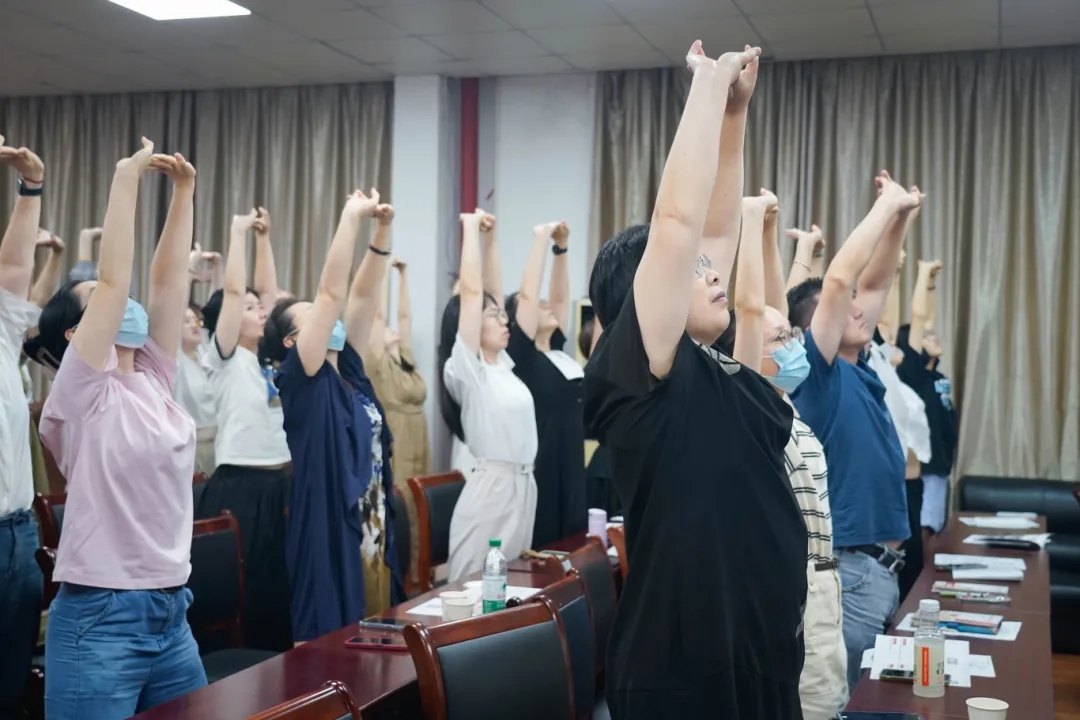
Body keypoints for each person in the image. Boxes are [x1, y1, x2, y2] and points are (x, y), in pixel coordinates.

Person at [584, 42, 807, 719]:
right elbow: (680, 225)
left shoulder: (714, 367)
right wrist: (707, 89)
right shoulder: (642, 378)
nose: (710, 273)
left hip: (759, 656)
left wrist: (735, 114)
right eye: (692, 271)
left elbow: (709, 228)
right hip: (682, 676)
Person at [32, 140, 207, 719]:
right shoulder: (79, 393)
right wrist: (126, 177)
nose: (125, 304)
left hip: (171, 609)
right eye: (105, 305)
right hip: (102, 616)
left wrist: (184, 192)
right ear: (73, 336)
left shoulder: (154, 376)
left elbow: (165, 282)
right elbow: (113, 282)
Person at [786, 171, 923, 691]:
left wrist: (902, 219)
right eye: (844, 310)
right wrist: (885, 206)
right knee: (841, 701)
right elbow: (843, 282)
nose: (861, 309)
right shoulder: (814, 374)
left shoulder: (859, 364)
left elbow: (875, 282)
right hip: (851, 570)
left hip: (876, 570)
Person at [262, 189, 404, 640]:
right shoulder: (301, 378)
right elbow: (331, 292)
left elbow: (361, 295)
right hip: (325, 521)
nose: (332, 320)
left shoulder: (353, 373)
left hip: (372, 520)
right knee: (331, 641)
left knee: (377, 637)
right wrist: (350, 216)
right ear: (291, 341)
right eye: (316, 319)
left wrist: (381, 229)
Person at [732, 190, 848, 719]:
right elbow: (754, 311)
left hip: (824, 581)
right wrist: (751, 224)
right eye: (781, 340)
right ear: (753, 355)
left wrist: (768, 233)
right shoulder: (752, 410)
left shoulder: (786, 406)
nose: (793, 346)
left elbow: (770, 309)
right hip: (798, 589)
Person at [198, 207, 292, 651]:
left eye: (258, 309)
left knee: (279, 586)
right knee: (248, 589)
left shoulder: (267, 358)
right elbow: (236, 291)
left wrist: (264, 239)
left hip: (280, 482)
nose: (258, 312)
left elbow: (272, 299)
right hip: (242, 484)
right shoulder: (225, 356)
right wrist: (238, 233)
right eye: (248, 309)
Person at [441, 209, 538, 583]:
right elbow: (472, 293)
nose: (505, 321)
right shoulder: (467, 371)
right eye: (494, 316)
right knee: (471, 589)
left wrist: (492, 237)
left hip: (524, 486)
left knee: (510, 589)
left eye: (503, 316)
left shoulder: (505, 369)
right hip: (491, 490)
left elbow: (491, 294)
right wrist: (468, 228)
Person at [0, 134, 46, 720]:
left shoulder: (3, 330)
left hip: (15, 531)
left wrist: (30, 187)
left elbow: (14, 263)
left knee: (11, 682)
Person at [504, 220, 586, 547]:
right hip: (544, 473)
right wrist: (540, 239)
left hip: (573, 470)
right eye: (539, 306)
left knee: (574, 552)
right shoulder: (522, 358)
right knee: (546, 554)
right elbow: (528, 293)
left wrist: (561, 249)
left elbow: (561, 298)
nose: (548, 306)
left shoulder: (559, 355)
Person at [867, 249, 932, 600]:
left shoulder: (891, 368)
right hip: (890, 485)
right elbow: (884, 312)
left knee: (911, 576)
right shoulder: (872, 360)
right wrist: (894, 267)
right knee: (898, 581)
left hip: (910, 485)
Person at [365, 256, 430, 587]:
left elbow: (405, 317)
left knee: (421, 507)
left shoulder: (404, 357)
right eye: (386, 329)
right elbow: (377, 314)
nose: (392, 329)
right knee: (402, 505)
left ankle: (421, 574)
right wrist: (383, 272)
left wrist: (403, 276)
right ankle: (402, 577)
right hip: (399, 436)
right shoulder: (376, 363)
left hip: (420, 436)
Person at [897, 258, 957, 541]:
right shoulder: (913, 376)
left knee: (936, 528)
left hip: (941, 466)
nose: (932, 336)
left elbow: (927, 321)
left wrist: (931, 284)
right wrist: (924, 279)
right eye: (926, 337)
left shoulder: (936, 376)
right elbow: (922, 320)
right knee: (925, 532)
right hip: (925, 468)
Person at [173, 247, 222, 474]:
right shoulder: (174, 357)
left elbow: (218, 310)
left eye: (196, 320)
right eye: (186, 321)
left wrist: (218, 266)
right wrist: (190, 267)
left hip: (219, 446)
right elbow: (173, 308)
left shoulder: (204, 351)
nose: (195, 324)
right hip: (190, 450)